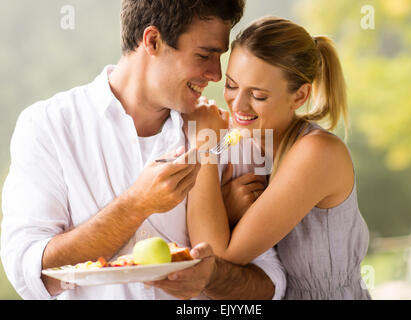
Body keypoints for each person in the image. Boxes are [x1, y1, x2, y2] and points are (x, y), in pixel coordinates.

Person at [0, 1, 287, 300]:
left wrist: (212, 276)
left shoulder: (227, 138)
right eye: (204, 55)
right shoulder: (49, 127)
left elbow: (270, 285)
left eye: (219, 57)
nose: (216, 74)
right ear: (152, 40)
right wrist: (137, 204)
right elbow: (29, 271)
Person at [185, 16, 372, 300]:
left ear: (299, 96)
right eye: (232, 86)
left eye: (258, 95)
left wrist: (203, 143)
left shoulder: (318, 153)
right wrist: (226, 208)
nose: (238, 105)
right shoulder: (246, 142)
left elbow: (218, 254)